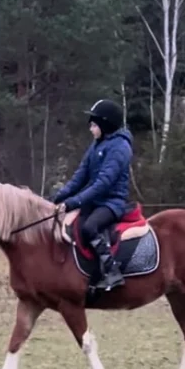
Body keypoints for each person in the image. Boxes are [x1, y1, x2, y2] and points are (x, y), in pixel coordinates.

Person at [50, 98, 134, 292]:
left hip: (112, 203)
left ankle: (112, 271)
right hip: (95, 202)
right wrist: (58, 197)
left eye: (94, 125)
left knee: (89, 227)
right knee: (71, 225)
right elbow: (79, 177)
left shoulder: (120, 147)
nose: (90, 128)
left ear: (105, 125)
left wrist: (73, 202)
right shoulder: (96, 145)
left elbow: (102, 184)